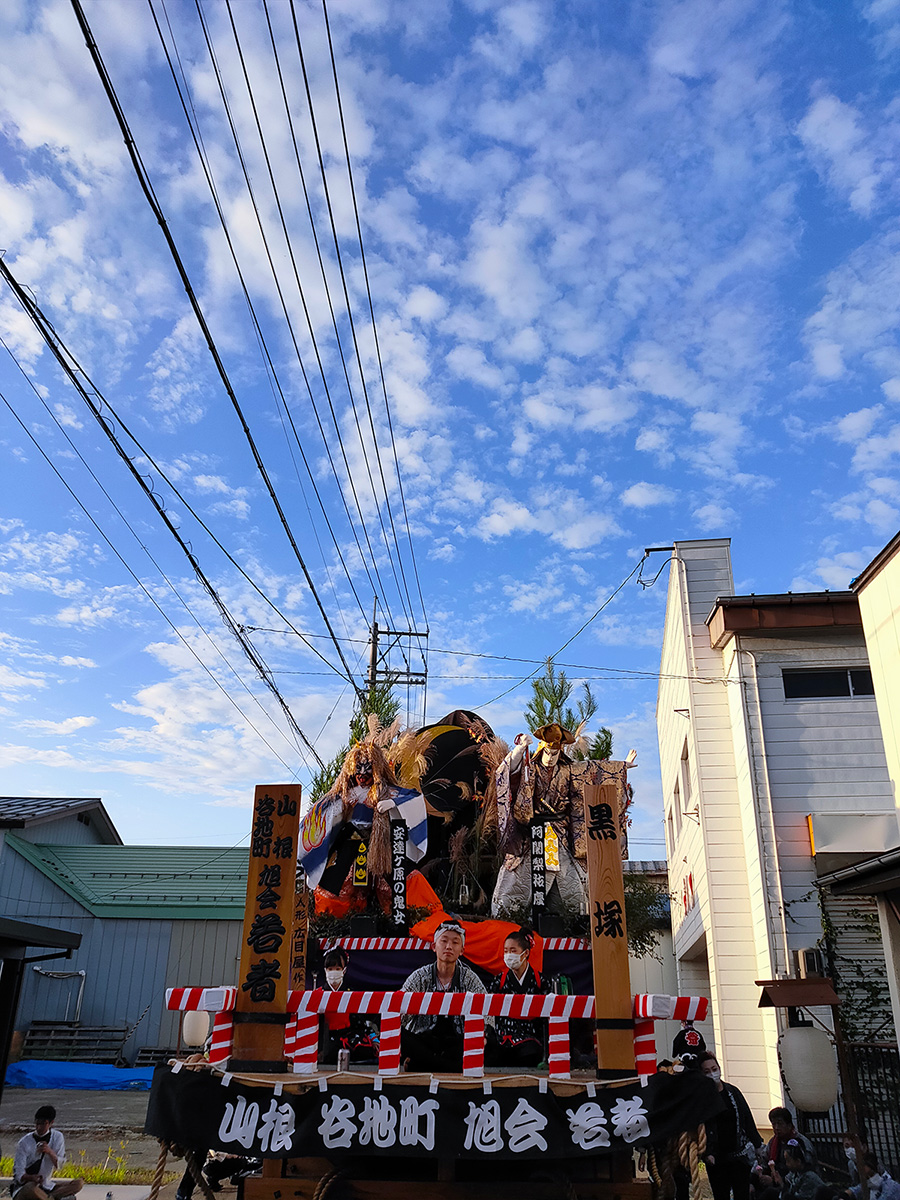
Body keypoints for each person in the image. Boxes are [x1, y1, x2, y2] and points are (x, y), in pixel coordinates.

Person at [400, 920, 486, 1071]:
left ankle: (424, 1064)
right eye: (444, 941)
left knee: (484, 1041)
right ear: (434, 946)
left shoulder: (469, 978)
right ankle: (449, 1067)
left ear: (462, 950)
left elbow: (486, 1013)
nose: (448, 947)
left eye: (455, 942)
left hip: (457, 1041)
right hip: (424, 1040)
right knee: (400, 1035)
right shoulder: (420, 976)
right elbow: (400, 1010)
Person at [699, 1052, 764, 1200]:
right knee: (721, 1195)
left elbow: (747, 1118)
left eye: (714, 1069)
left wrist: (757, 1144)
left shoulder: (732, 1092)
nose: (712, 1073)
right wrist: (706, 1152)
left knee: (742, 1194)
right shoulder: (702, 1099)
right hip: (716, 1159)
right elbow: (700, 1128)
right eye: (707, 1071)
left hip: (738, 1155)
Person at [487, 927, 546, 1067]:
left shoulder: (539, 981)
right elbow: (488, 1010)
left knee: (529, 1053)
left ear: (525, 953)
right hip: (502, 1036)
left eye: (513, 951)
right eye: (506, 951)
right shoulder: (499, 981)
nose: (508, 955)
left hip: (529, 1035)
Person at [317, 947, 378, 1065]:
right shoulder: (318, 994)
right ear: (325, 970)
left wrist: (374, 1039)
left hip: (349, 1036)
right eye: (330, 969)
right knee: (329, 1053)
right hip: (326, 1038)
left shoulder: (350, 994)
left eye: (337, 968)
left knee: (365, 1050)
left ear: (343, 970)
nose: (334, 972)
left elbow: (361, 1021)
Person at [13, 1106, 82, 1200]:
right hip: (27, 1187)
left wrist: (50, 1152)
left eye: (43, 1124)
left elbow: (60, 1165)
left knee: (78, 1184)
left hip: (46, 1186)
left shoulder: (57, 1137)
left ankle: (48, 1197)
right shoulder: (24, 1142)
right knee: (30, 1189)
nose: (39, 1127)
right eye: (37, 1123)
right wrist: (32, 1178)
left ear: (51, 1123)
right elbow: (18, 1174)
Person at [754, 1109, 818, 1200]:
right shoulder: (773, 1142)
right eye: (773, 1124)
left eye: (780, 1123)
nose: (776, 1127)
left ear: (789, 1125)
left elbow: (804, 1168)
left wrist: (779, 1180)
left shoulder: (801, 1143)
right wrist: (760, 1174)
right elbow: (764, 1159)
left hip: (795, 1185)